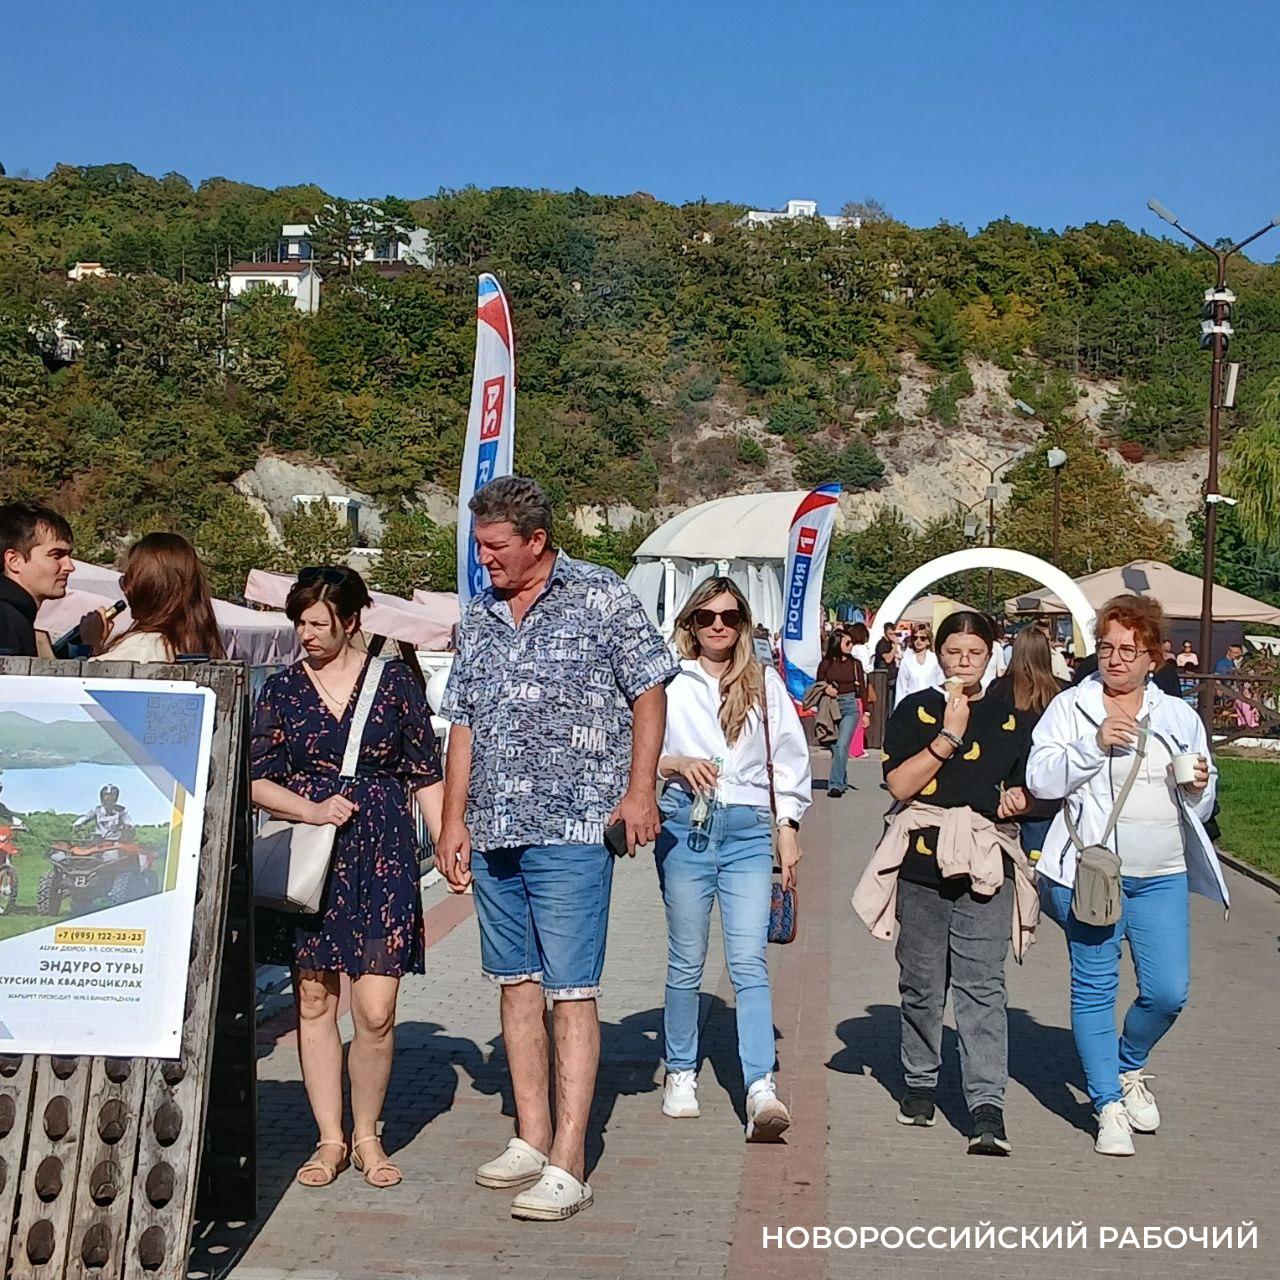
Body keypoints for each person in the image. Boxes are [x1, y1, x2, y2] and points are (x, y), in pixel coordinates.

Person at [437, 476, 676, 1222]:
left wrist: (639, 792)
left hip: (575, 826)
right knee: (515, 984)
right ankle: (532, 1138)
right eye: (479, 547)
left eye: (495, 547)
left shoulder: (601, 596)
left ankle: (572, 1160)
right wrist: (452, 820)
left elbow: (650, 691)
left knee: (572, 992)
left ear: (537, 541)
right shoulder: (477, 615)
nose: (484, 561)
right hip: (496, 825)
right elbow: (464, 722)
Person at [250, 566, 444, 1190]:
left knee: (377, 1007)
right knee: (314, 998)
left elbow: (425, 771)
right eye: (298, 623)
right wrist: (309, 808)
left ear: (352, 621)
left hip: (383, 851)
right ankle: (332, 1137)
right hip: (313, 853)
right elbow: (252, 777)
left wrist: (447, 844)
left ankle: (369, 1132)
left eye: (316, 623)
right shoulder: (280, 691)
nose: (304, 634)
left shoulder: (394, 685)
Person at [1027, 594, 1226, 1158]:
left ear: (1154, 658)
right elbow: (1041, 778)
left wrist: (1199, 787)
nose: (1114, 660)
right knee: (1094, 988)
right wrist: (1092, 747)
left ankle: (1129, 1064)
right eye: (1107, 648)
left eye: (1128, 650)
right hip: (1094, 872)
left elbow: (1204, 801)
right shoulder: (1072, 707)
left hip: (1160, 872)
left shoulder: (1178, 716)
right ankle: (1107, 1104)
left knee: (1168, 992)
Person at [853, 611, 1035, 1156]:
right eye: (954, 652)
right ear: (939, 655)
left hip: (983, 862)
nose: (963, 662)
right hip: (923, 863)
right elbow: (898, 783)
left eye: (974, 653)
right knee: (922, 981)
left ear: (990, 655)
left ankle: (986, 1104)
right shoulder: (916, 710)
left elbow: (1030, 787)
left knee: (984, 986)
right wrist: (949, 736)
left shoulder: (1009, 718)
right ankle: (919, 1082)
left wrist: (1022, 800)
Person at [655, 577, 811, 1139]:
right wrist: (673, 764)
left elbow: (790, 761)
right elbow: (637, 751)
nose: (718, 626)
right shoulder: (669, 682)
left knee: (748, 961)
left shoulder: (764, 684)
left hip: (746, 829)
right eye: (706, 617)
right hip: (685, 824)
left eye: (729, 616)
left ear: (743, 623)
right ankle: (679, 1069)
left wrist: (787, 828)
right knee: (687, 960)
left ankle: (759, 1087)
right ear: (690, 624)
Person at [988, 628, 1068, 860]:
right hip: (1046, 794)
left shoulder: (998, 689)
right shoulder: (1062, 691)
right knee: (1039, 868)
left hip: (1007, 789)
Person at [88, 533, 225, 663]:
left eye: (127, 582)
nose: (125, 591)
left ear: (145, 588)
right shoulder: (201, 642)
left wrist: (91, 644)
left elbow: (86, 682)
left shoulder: (142, 648)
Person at [0, 501, 74, 657]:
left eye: (68, 556)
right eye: (56, 555)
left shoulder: (14, 616)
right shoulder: (6, 621)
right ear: (15, 561)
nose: (69, 566)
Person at [815, 630, 871, 797]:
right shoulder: (826, 663)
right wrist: (826, 688)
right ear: (837, 643)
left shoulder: (856, 664)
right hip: (831, 706)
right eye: (847, 642)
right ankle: (842, 778)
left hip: (850, 706)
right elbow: (818, 683)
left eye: (851, 642)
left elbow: (862, 688)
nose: (851, 645)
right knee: (835, 746)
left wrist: (866, 713)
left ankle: (835, 784)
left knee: (842, 745)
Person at [895, 623, 944, 703]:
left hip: (931, 703)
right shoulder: (907, 661)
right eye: (915, 638)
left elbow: (941, 683)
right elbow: (901, 688)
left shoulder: (935, 659)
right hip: (911, 704)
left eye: (922, 638)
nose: (918, 641)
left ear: (928, 641)